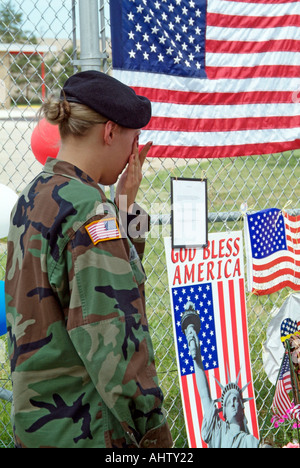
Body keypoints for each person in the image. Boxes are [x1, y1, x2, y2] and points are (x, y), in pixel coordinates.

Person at [5, 70, 173, 449]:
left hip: (39, 428)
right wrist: (155, 438)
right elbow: (117, 346)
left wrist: (125, 205)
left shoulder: (33, 196)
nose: (136, 151)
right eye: (135, 137)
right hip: (89, 429)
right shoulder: (89, 211)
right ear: (110, 132)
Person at [181, 302, 259, 448]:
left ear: (243, 409)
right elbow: (204, 395)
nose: (234, 404)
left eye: (236, 401)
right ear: (224, 413)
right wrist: (197, 358)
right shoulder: (218, 431)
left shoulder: (250, 441)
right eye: (229, 403)